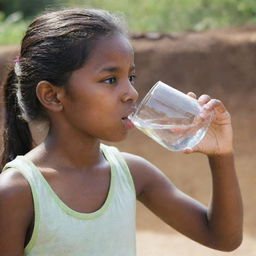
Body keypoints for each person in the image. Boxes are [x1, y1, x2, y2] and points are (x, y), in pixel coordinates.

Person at [0, 8, 243, 256]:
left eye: (131, 77)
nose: (132, 93)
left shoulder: (132, 173)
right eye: (110, 80)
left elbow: (223, 238)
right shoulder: (16, 192)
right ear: (52, 95)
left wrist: (221, 154)